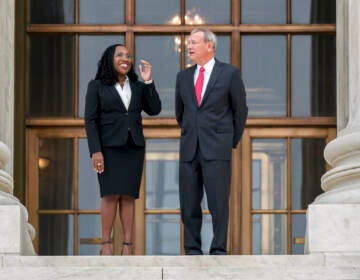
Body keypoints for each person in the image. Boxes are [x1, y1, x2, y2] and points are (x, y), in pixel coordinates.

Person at [175, 28, 248, 255]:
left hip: (217, 149)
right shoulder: (183, 77)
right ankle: (192, 248)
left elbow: (240, 112)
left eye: (194, 42)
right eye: (189, 43)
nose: (189, 46)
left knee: (218, 203)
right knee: (189, 204)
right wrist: (191, 133)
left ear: (210, 46)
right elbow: (181, 113)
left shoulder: (229, 74)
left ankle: (218, 247)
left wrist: (228, 141)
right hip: (189, 149)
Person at [85, 44, 161, 255]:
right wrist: (95, 150)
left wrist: (148, 81)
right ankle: (106, 245)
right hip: (108, 148)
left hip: (133, 147)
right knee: (110, 194)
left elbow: (154, 109)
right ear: (110, 59)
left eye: (128, 55)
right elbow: (90, 121)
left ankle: (127, 246)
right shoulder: (97, 86)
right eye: (120, 55)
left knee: (128, 195)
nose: (125, 58)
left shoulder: (137, 85)